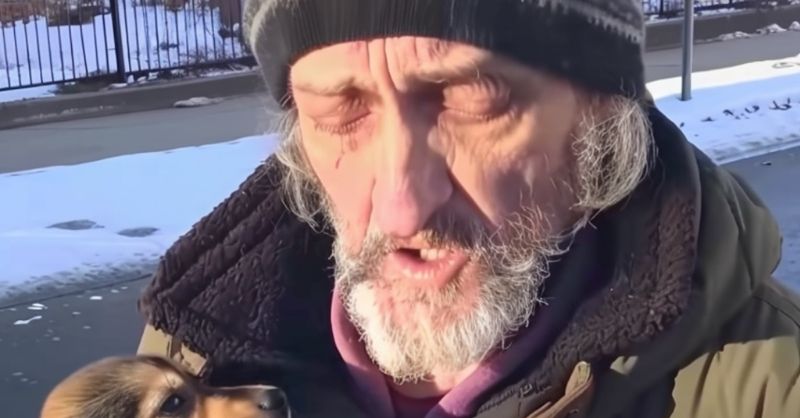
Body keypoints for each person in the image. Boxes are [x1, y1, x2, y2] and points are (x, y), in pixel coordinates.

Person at [135, 1, 800, 417]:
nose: (401, 208)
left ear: (600, 112)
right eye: (341, 113)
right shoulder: (189, 365)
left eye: (471, 102)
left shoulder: (770, 388)